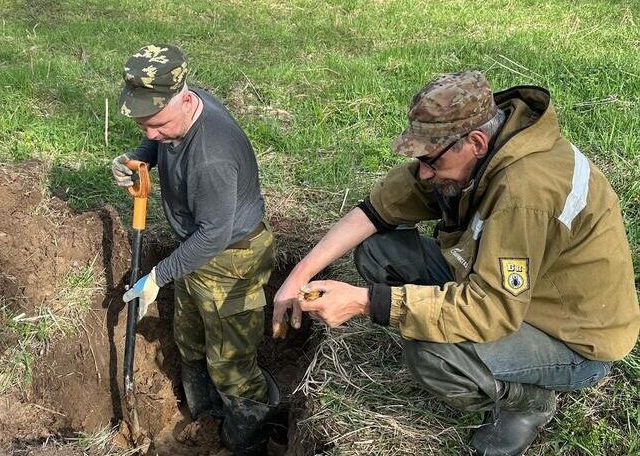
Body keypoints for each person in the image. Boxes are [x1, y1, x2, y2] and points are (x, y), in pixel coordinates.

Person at [273, 70, 639, 456]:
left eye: (430, 160)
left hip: (571, 339)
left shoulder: (524, 193)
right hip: (512, 288)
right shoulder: (487, 149)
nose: (424, 172)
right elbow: (378, 209)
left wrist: (368, 302)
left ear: (476, 142)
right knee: (378, 249)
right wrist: (299, 275)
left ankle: (528, 403)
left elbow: (491, 310)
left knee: (432, 352)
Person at [113, 44, 278, 455]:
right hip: (198, 251)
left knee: (231, 365)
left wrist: (158, 274)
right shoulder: (184, 105)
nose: (150, 134)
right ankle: (204, 414)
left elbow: (214, 235)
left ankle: (247, 439)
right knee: (189, 340)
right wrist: (138, 157)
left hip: (231, 259)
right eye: (143, 125)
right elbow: (157, 140)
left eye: (157, 125)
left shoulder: (211, 157)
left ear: (184, 101)